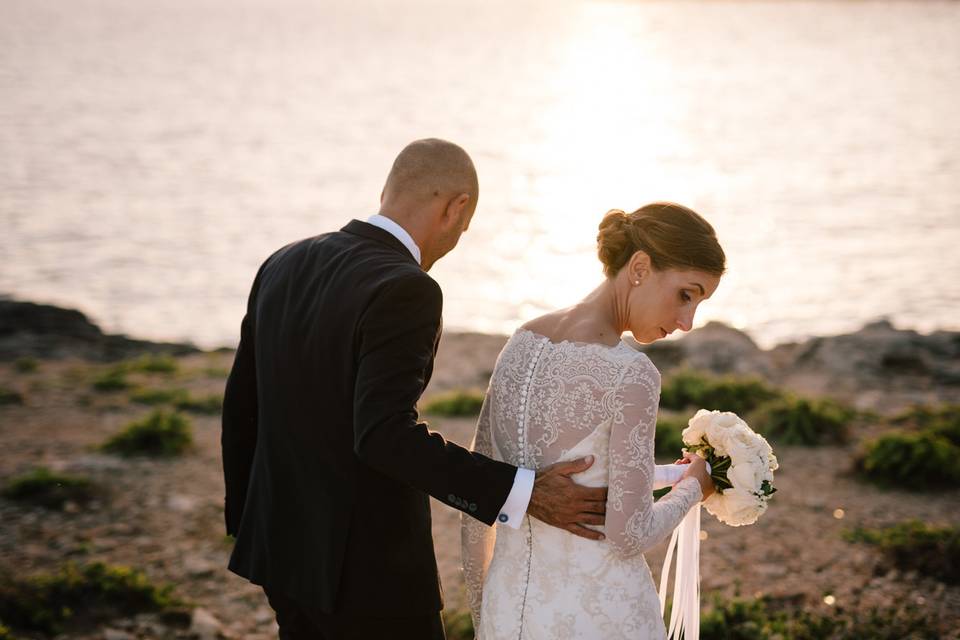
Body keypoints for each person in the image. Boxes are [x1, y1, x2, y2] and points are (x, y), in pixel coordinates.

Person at [221, 138, 608, 640]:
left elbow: (242, 406)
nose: (454, 243)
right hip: (365, 571)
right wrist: (524, 491)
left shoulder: (283, 263)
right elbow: (384, 435)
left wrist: (247, 520)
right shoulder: (407, 287)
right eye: (463, 230)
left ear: (388, 190)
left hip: (280, 549)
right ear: (456, 208)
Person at [461, 202, 724, 639]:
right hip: (601, 619)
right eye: (685, 294)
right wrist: (695, 486)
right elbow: (628, 534)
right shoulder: (631, 374)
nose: (687, 322)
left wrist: (485, 612)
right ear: (640, 266)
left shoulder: (522, 340)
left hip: (507, 611)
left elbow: (478, 497)